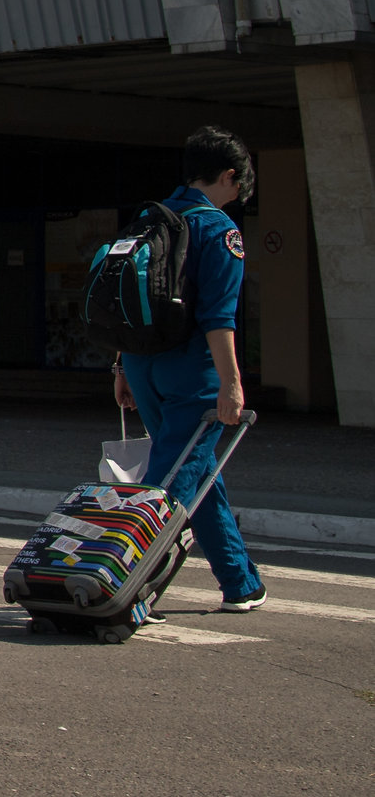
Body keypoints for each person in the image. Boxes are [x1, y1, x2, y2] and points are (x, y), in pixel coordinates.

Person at [113, 126, 266, 612]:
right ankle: (122, 586)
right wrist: (232, 384)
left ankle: (240, 583)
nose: (237, 197)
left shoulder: (149, 217)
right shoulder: (219, 230)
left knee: (198, 471)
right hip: (191, 374)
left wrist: (121, 365)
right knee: (172, 482)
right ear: (228, 176)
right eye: (238, 187)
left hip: (142, 364)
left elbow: (125, 298)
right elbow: (218, 318)